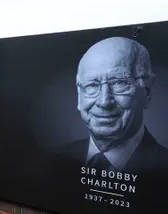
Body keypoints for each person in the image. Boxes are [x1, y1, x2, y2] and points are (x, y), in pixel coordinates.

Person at [65, 37, 168, 172]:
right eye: (92, 85)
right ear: (79, 95)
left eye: (120, 83)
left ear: (146, 92)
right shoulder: (57, 162)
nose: (104, 102)